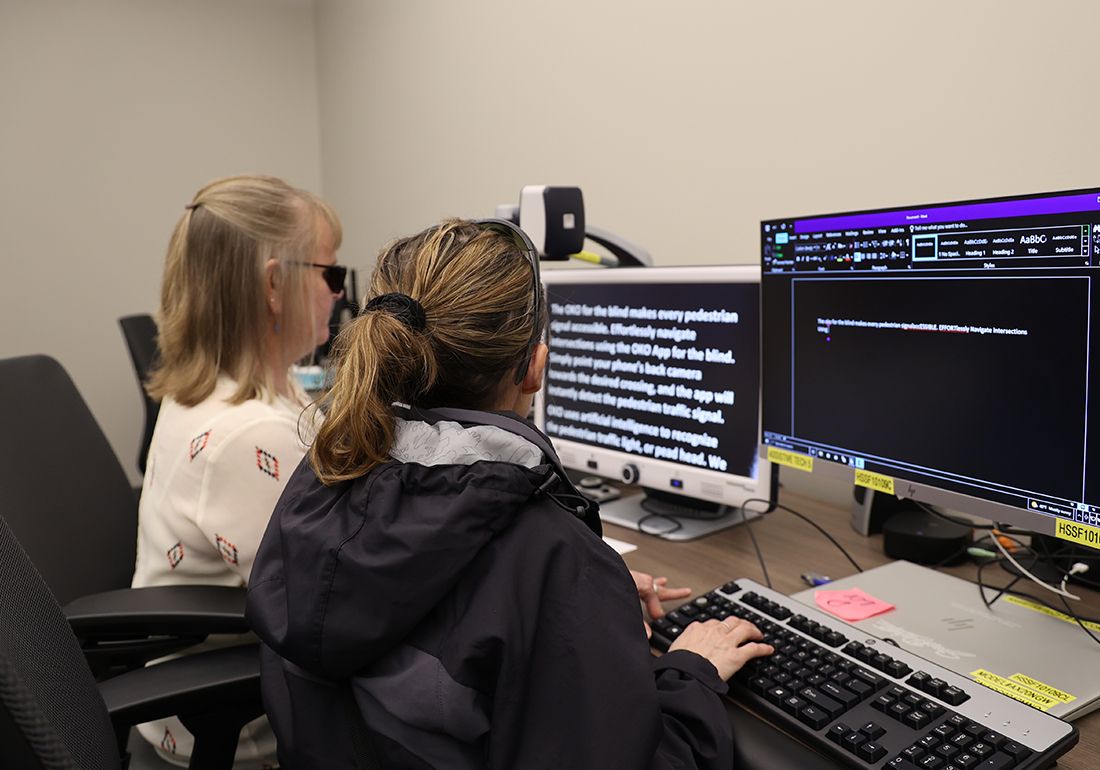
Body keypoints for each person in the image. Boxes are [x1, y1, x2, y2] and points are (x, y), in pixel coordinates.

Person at [246, 219, 774, 769]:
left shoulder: (324, 478)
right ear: (534, 369)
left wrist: (583, 598)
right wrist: (690, 670)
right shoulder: (549, 553)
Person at [133, 174, 343, 768]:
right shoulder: (251, 435)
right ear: (275, 285)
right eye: (329, 274)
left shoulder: (219, 393)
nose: (338, 294)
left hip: (208, 680)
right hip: (234, 720)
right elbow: (335, 606)